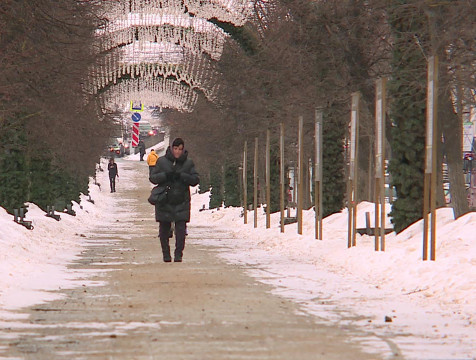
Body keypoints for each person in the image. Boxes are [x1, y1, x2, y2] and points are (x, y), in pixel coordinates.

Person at [149, 138, 199, 262]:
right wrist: (165, 176)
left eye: (180, 149)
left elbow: (195, 180)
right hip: (165, 200)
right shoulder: (161, 162)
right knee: (164, 230)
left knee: (181, 230)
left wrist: (183, 176)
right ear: (171, 149)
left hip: (182, 200)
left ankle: (178, 255)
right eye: (175, 149)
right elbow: (153, 178)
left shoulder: (188, 163)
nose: (177, 152)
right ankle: (166, 254)